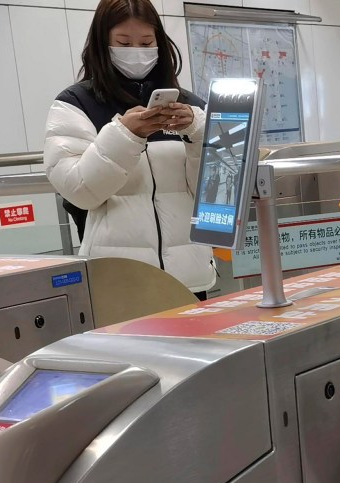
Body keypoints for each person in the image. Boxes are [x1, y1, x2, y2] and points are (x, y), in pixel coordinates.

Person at [44, 0, 215, 298]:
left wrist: (197, 131)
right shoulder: (75, 105)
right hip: (120, 283)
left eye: (147, 42)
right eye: (124, 43)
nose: (137, 51)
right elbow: (79, 191)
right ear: (102, 44)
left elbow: (213, 193)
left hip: (190, 277)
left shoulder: (191, 106)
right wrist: (126, 135)